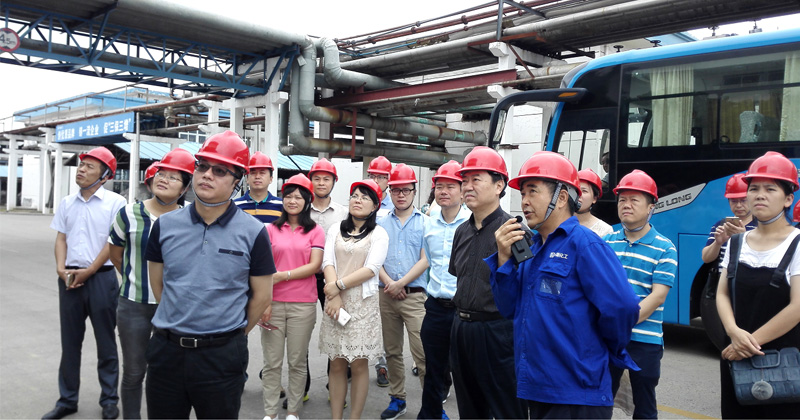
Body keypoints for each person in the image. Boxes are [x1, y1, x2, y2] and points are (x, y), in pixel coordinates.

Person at [485, 151, 640, 419]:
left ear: (561, 198)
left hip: (577, 393)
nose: (524, 201)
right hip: (537, 388)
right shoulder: (532, 249)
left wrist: (600, 349)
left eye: (533, 191)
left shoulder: (585, 244)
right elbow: (508, 308)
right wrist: (503, 259)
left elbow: (622, 307)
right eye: (523, 193)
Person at [144, 130, 275, 419]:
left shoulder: (253, 233)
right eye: (202, 166)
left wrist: (230, 335)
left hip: (221, 357)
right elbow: (159, 285)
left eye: (219, 171)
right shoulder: (165, 226)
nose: (207, 175)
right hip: (167, 352)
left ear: (237, 180)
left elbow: (262, 296)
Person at [108, 148, 194, 419]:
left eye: (173, 177)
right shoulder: (128, 214)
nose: (163, 179)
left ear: (185, 188)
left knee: (168, 371)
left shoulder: (190, 218)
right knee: (134, 372)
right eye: (161, 173)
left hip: (173, 307)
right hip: (133, 306)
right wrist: (137, 280)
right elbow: (116, 255)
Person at [43, 147, 127, 420]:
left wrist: (89, 271)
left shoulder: (116, 203)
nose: (81, 169)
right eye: (81, 165)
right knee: (70, 343)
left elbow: (113, 243)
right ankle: (67, 400)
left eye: (90, 166)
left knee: (106, 342)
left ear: (105, 175)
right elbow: (61, 238)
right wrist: (60, 268)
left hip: (101, 278)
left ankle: (109, 400)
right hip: (68, 278)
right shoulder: (68, 202)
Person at [716, 151, 800, 418]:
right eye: (754, 188)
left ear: (788, 198)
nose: (759, 195)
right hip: (736, 358)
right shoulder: (736, 242)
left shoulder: (797, 243)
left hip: (785, 363)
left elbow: (797, 307)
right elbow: (722, 293)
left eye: (770, 189)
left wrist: (747, 344)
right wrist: (733, 332)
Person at [448, 146, 526, 419]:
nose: (467, 186)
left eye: (476, 179)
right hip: (461, 329)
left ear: (499, 185)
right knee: (469, 409)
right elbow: (458, 276)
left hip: (498, 333)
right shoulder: (461, 231)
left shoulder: (514, 232)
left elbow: (525, 287)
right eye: (464, 180)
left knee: (507, 409)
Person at [604, 169, 677, 419]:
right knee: (600, 401)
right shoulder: (606, 242)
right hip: (608, 337)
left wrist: (623, 322)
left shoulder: (665, 248)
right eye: (622, 199)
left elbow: (657, 296)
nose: (626, 205)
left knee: (644, 406)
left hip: (645, 340)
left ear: (650, 207)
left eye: (634, 200)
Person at [319, 179, 389, 420]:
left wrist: (337, 287)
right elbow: (327, 261)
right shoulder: (335, 229)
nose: (358, 200)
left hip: (362, 306)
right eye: (355, 196)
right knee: (336, 362)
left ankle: (354, 417)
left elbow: (371, 269)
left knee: (358, 364)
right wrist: (334, 295)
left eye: (365, 197)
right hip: (335, 303)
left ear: (375, 206)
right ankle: (336, 417)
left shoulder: (379, 234)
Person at [261, 174, 325, 420]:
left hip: (303, 305)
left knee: (297, 362)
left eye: (298, 197)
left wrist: (282, 276)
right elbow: (263, 268)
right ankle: (270, 413)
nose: (292, 201)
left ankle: (293, 412)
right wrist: (264, 301)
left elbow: (315, 266)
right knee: (272, 362)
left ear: (307, 201)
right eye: (288, 196)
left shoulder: (315, 231)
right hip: (273, 304)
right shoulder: (270, 229)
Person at [417, 160, 470, 420]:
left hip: (464, 311)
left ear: (462, 190)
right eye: (439, 186)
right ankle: (430, 415)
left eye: (450, 186)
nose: (444, 191)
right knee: (433, 370)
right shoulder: (429, 224)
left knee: (467, 372)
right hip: (436, 308)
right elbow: (429, 261)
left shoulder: (472, 222)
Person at [377, 164, 429, 420]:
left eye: (406, 190)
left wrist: (401, 283)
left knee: (423, 354)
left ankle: (432, 406)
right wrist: (390, 283)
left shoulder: (426, 223)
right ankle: (398, 399)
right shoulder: (380, 223)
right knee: (392, 351)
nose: (400, 195)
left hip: (415, 296)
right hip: (386, 295)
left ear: (414, 191)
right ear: (390, 191)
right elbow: (374, 259)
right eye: (396, 190)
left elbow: (425, 259)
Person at [304, 158, 349, 403]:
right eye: (317, 178)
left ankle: (335, 387)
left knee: (336, 331)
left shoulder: (343, 213)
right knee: (300, 331)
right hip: (303, 279)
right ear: (310, 181)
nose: (321, 183)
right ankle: (301, 388)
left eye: (326, 179)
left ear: (334, 182)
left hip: (333, 281)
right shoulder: (301, 209)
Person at [366, 155, 393, 382]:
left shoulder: (395, 206)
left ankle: (382, 365)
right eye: (372, 175)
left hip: (385, 273)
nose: (376, 180)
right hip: (362, 271)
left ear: (389, 179)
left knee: (385, 325)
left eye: (381, 176)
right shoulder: (361, 200)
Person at [701, 173, 757, 266]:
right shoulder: (721, 225)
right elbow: (706, 258)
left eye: (743, 200)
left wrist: (743, 238)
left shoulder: (761, 227)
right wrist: (717, 243)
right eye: (734, 201)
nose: (738, 205)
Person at [234, 151, 283, 223]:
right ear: (247, 179)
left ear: (271, 179)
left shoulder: (281, 205)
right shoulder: (235, 206)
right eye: (253, 173)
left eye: (262, 173)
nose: (257, 177)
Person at [577, 168, 613, 237]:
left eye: (584, 191)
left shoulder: (605, 230)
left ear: (594, 198)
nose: (579, 195)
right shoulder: (558, 223)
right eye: (576, 190)